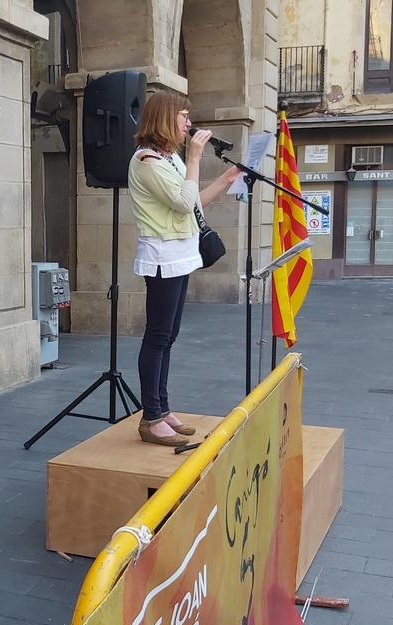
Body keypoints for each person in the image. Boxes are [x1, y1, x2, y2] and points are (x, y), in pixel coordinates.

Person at [128, 91, 240, 446]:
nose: (189, 124)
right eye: (184, 117)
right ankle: (150, 418)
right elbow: (180, 202)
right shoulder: (147, 161)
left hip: (180, 254)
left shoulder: (169, 158)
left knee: (169, 336)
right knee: (158, 336)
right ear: (165, 119)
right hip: (162, 257)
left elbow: (192, 205)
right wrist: (194, 156)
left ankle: (161, 408)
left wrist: (224, 180)